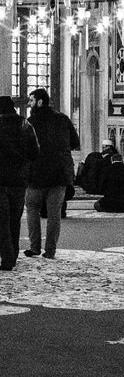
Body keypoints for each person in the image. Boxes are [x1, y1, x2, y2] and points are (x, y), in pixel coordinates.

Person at [24, 87, 80, 260]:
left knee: (32, 208)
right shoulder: (62, 118)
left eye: (31, 100)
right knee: (54, 213)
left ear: (40, 102)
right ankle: (50, 251)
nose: (29, 104)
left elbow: (26, 147)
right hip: (59, 174)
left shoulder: (31, 122)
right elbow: (75, 142)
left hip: (37, 174)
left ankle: (34, 248)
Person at [0, 96, 39, 271]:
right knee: (14, 218)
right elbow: (34, 152)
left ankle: (7, 257)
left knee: (2, 220)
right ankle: (13, 254)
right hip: (19, 179)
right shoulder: (25, 125)